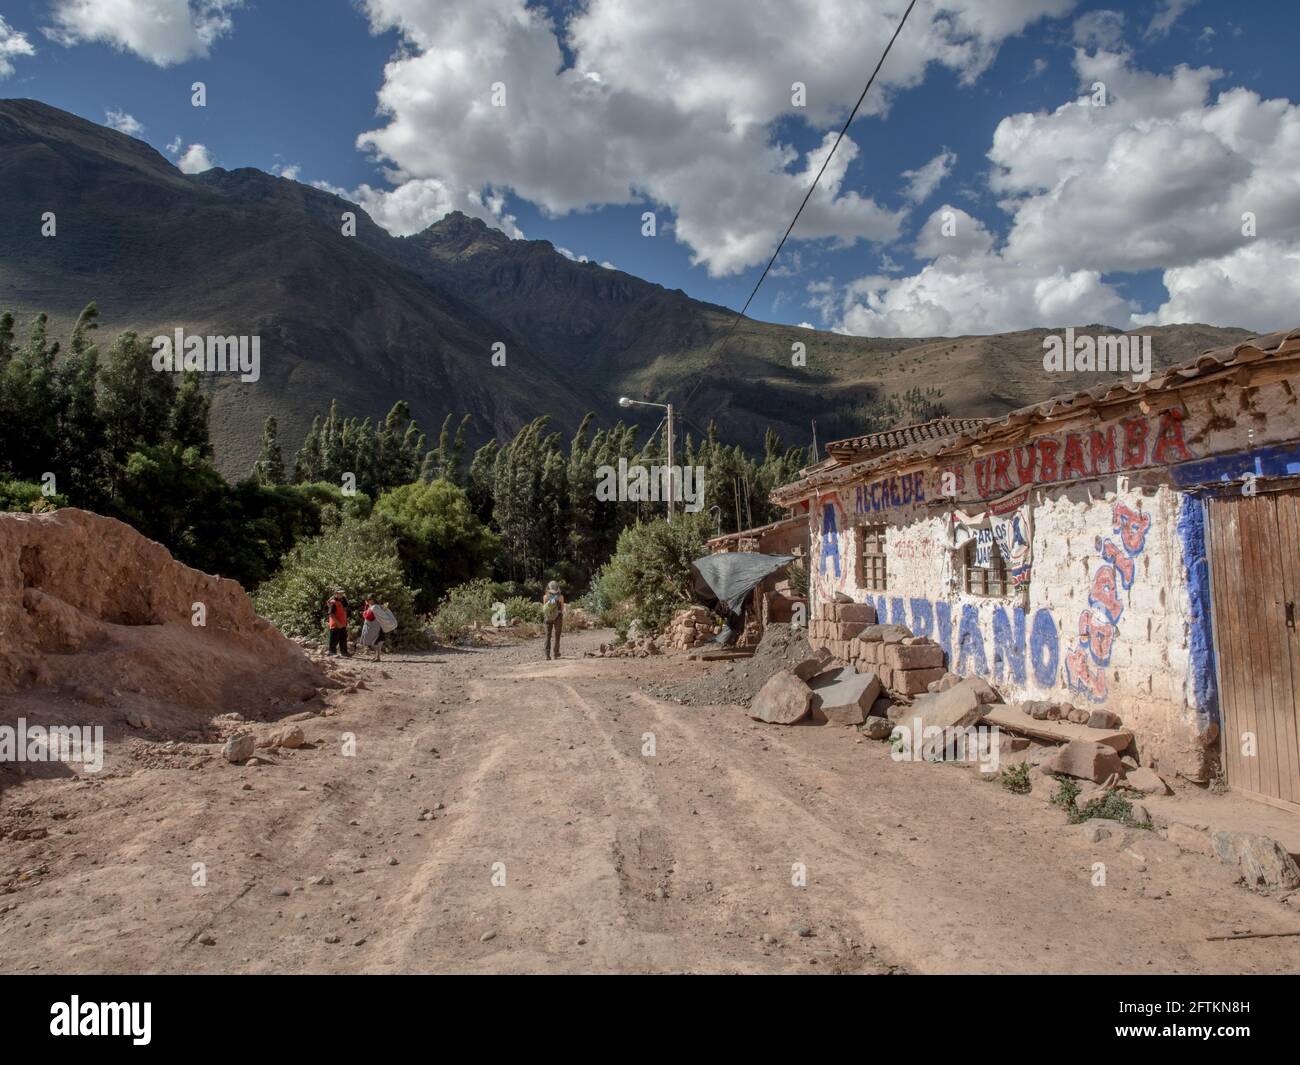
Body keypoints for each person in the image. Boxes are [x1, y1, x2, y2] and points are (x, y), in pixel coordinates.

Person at [541, 580, 564, 660]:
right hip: (558, 617)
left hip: (548, 618)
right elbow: (562, 609)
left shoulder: (545, 597)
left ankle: (547, 655)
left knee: (548, 636)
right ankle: (556, 653)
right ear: (557, 588)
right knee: (557, 636)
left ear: (548, 588)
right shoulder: (560, 597)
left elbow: (544, 608)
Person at [359, 596, 384, 662]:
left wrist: (363, 614)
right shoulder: (373, 607)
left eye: (369, 600)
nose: (368, 601)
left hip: (377, 628)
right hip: (377, 628)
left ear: (373, 600)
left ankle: (377, 657)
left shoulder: (375, 607)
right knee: (376, 643)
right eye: (367, 600)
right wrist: (366, 606)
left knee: (376, 643)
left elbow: (369, 617)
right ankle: (377, 657)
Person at [326, 589, 350, 656]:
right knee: (334, 639)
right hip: (335, 624)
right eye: (340, 593)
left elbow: (346, 607)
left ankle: (344, 652)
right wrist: (338, 623)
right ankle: (332, 652)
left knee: (343, 639)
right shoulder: (333, 602)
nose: (341, 594)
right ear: (336, 593)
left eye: (342, 593)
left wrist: (345, 622)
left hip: (343, 623)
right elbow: (331, 614)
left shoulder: (343, 600)